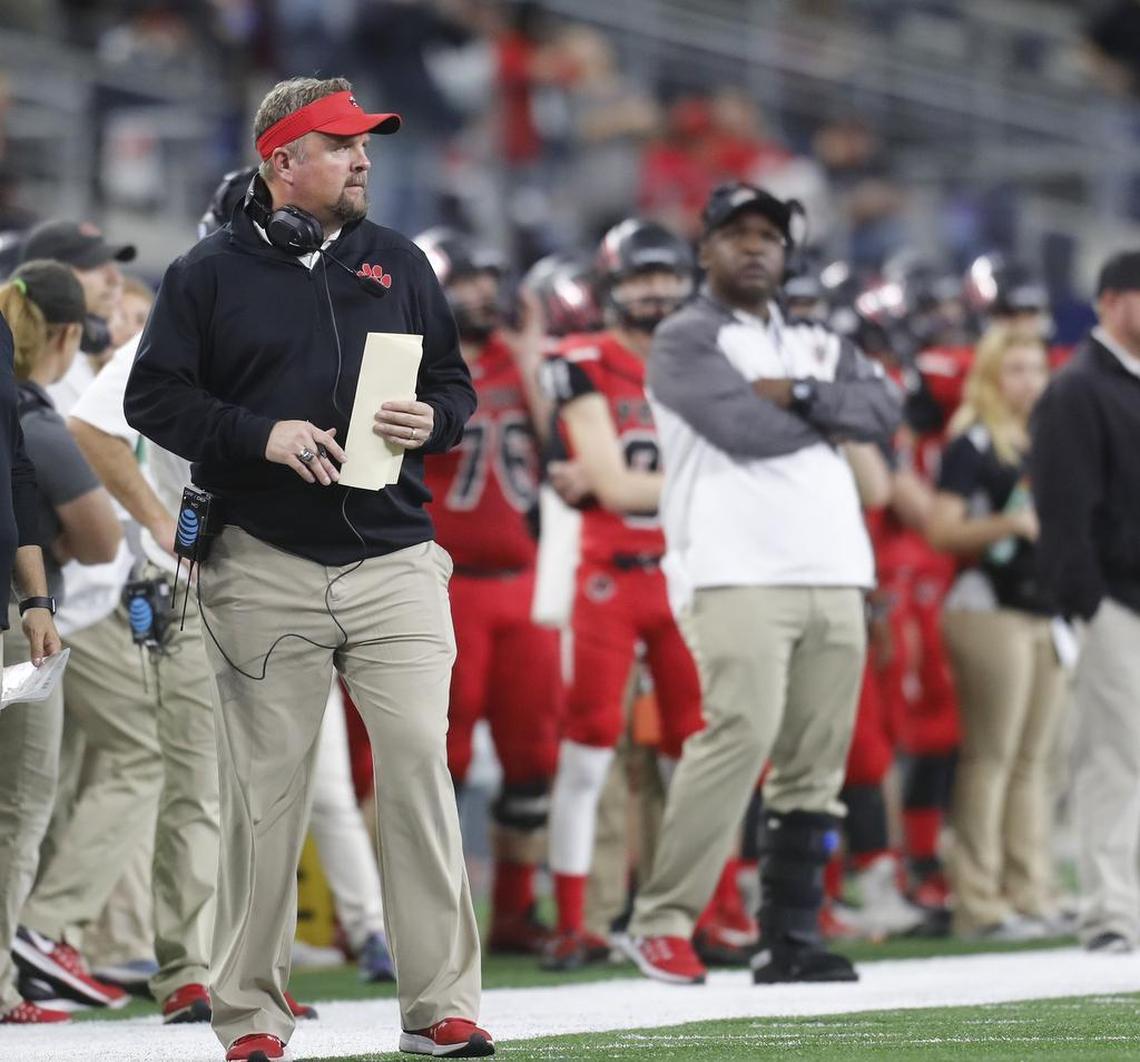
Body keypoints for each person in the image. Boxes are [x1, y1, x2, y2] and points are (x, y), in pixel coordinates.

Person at [123, 77, 489, 1062]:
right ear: (284, 161)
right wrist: (259, 433)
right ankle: (250, 1014)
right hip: (262, 562)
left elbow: (455, 384)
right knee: (267, 795)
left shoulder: (400, 261)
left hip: (396, 556)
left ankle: (440, 1007)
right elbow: (152, 400)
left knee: (417, 768)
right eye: (342, 144)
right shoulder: (206, 273)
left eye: (366, 144)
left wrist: (437, 419)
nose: (365, 160)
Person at [618, 182, 901, 986]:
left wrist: (803, 395)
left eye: (768, 236)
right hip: (733, 566)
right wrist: (829, 414)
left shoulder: (815, 340)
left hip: (836, 566)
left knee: (816, 761)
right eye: (737, 233)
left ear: (787, 252)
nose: (754, 247)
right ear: (704, 248)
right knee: (737, 736)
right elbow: (741, 428)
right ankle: (662, 919)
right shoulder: (683, 337)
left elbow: (885, 408)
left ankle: (791, 934)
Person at [540, 217, 705, 971]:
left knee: (694, 752)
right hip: (608, 576)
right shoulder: (581, 359)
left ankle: (703, 913)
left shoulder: (705, 358)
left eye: (667, 276)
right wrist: (711, 484)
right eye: (642, 278)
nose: (657, 291)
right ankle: (576, 922)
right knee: (587, 751)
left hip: (682, 573)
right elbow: (608, 486)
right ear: (612, 287)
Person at [415, 227, 563, 956]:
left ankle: (512, 910)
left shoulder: (521, 356)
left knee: (535, 754)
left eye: (485, 280)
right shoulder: (409, 362)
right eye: (464, 281)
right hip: (445, 581)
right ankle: (428, 922)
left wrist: (532, 361)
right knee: (443, 758)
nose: (480, 294)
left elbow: (565, 448)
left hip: (525, 579)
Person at [926, 325, 1064, 940]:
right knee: (991, 756)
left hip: (1047, 609)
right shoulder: (973, 442)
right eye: (1015, 370)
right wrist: (1008, 526)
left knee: (1034, 760)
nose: (1029, 382)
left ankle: (1030, 890)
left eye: (1036, 368)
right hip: (988, 608)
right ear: (989, 376)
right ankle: (978, 901)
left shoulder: (1048, 438)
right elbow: (942, 529)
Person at [0, 260, 106, 1024]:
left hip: (11, 612)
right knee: (22, 800)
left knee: (24, 797)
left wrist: (36, 600)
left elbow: (14, 478)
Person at [1030, 250, 1140, 954]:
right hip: (1116, 602)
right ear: (1110, 301)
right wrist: (1086, 602)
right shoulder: (1078, 387)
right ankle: (1109, 913)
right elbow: (1063, 508)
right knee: (1114, 757)